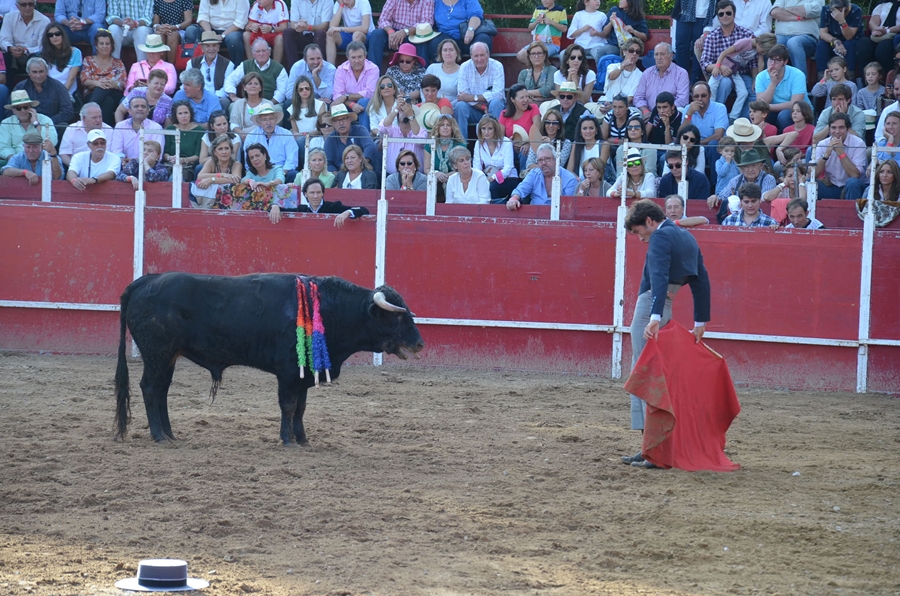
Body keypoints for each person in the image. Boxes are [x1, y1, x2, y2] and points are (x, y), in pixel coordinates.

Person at [621, 199, 710, 468]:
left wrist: (655, 317)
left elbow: (658, 276)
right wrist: (700, 320)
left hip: (652, 306)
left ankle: (654, 449)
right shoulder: (685, 236)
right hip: (664, 304)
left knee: (645, 372)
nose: (639, 238)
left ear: (649, 221)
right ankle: (652, 446)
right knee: (657, 373)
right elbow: (701, 279)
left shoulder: (660, 237)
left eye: (638, 231)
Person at [707, 32, 777, 121]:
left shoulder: (757, 49)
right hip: (722, 66)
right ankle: (710, 112)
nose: (762, 53)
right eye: (763, 51)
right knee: (712, 87)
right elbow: (724, 53)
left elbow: (760, 63)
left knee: (743, 92)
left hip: (734, 71)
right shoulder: (744, 42)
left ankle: (733, 117)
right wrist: (717, 66)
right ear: (760, 43)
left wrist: (756, 79)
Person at [700, 2, 754, 115]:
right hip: (721, 75)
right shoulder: (712, 37)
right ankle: (715, 114)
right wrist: (719, 67)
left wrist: (755, 79)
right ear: (718, 17)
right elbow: (705, 63)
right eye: (721, 14)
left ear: (734, 14)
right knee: (725, 83)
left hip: (742, 74)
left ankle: (742, 120)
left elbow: (754, 62)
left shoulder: (746, 34)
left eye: (728, 13)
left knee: (753, 91)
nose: (725, 16)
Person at [708, 148, 777, 222]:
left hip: (762, 219)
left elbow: (764, 200)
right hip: (738, 220)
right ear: (742, 168)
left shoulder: (769, 179)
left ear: (760, 166)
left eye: (754, 165)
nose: (750, 169)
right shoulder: (735, 180)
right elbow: (722, 196)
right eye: (746, 166)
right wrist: (715, 197)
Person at [454, 42, 505, 139]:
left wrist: (473, 97)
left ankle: (496, 142)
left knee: (496, 103)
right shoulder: (464, 67)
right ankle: (461, 145)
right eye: (476, 56)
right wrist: (481, 106)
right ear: (471, 56)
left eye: (482, 55)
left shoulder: (497, 66)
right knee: (460, 106)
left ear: (488, 54)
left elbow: (498, 94)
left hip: (492, 108)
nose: (479, 59)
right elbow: (462, 96)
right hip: (474, 109)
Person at [755, 44, 812, 131]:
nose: (772, 64)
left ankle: (786, 143)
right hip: (773, 110)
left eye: (777, 60)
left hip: (799, 111)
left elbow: (795, 103)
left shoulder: (798, 75)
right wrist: (773, 83)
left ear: (785, 62)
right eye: (770, 59)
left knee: (784, 116)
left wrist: (768, 107)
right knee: (756, 114)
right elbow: (761, 103)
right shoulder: (761, 76)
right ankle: (765, 143)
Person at [506, 143, 578, 209]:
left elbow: (568, 205)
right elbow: (521, 189)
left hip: (559, 217)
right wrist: (513, 199)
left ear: (556, 160)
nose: (543, 163)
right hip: (535, 215)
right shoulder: (534, 174)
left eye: (547, 159)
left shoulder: (570, 178)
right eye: (540, 160)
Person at [269, 177, 370, 224]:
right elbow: (278, 210)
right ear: (306, 195)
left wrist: (347, 212)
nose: (315, 196)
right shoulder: (301, 209)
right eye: (312, 193)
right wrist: (274, 206)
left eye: (318, 192)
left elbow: (364, 210)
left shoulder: (333, 207)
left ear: (323, 193)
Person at [423, 0, 494, 64]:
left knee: (483, 40)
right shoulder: (435, 2)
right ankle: (445, 74)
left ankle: (481, 71)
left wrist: (471, 29)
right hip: (446, 36)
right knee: (435, 44)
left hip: (468, 35)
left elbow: (476, 15)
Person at [80, 29, 127, 125]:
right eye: (101, 44)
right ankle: (107, 130)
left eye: (107, 44)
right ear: (96, 46)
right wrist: (98, 83)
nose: (105, 46)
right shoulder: (88, 60)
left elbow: (123, 83)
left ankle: (86, 112)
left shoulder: (118, 63)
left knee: (105, 90)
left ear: (111, 46)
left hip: (114, 92)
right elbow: (84, 80)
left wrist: (114, 84)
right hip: (92, 93)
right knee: (107, 101)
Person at [815, 112, 866, 199]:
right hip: (832, 186)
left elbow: (855, 174)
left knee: (852, 182)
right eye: (833, 128)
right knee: (810, 183)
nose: (837, 132)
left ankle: (852, 213)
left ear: (847, 129)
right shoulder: (823, 144)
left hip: (851, 187)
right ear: (829, 129)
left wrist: (840, 152)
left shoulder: (858, 143)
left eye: (841, 127)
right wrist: (826, 154)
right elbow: (813, 174)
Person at [367, 0, 433, 66]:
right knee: (376, 34)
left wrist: (405, 31)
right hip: (394, 33)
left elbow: (426, 23)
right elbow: (383, 19)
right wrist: (390, 32)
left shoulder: (427, 1)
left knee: (423, 41)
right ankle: (373, 72)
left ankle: (422, 74)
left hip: (415, 35)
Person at [13, 57, 73, 128]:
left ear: (46, 72)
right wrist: (28, 121)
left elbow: (68, 111)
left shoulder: (58, 87)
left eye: (41, 71)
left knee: (63, 126)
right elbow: (11, 109)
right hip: (27, 125)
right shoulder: (21, 87)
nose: (38, 75)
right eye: (34, 72)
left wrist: (47, 122)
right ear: (28, 73)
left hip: (51, 125)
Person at [224, 38, 288, 105]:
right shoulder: (245, 65)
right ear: (253, 53)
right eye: (257, 51)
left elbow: (282, 91)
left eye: (264, 51)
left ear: (269, 52)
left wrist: (269, 104)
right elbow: (230, 80)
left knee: (278, 109)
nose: (261, 54)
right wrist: (233, 97)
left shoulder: (279, 68)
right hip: (247, 104)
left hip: (271, 104)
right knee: (233, 106)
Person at [633, 43, 689, 118]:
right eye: (656, 54)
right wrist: (646, 111)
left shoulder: (681, 73)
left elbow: (682, 100)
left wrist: (662, 112)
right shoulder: (647, 73)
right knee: (634, 112)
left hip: (671, 114)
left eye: (662, 54)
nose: (659, 58)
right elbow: (638, 97)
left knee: (681, 110)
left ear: (671, 56)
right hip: (648, 114)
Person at [331, 41, 379, 130]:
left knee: (363, 101)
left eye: (360, 57)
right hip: (346, 106)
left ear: (365, 56)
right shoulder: (341, 69)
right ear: (347, 58)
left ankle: (364, 136)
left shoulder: (373, 69)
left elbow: (370, 93)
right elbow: (337, 96)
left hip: (366, 105)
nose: (357, 61)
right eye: (353, 57)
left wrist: (346, 96)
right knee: (335, 105)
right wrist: (351, 104)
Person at [0, 89, 56, 165]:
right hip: (15, 159)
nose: (23, 110)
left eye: (25, 107)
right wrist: (15, 160)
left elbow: (53, 142)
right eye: (18, 108)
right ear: (13, 110)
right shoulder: (6, 123)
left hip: (41, 160)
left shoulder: (45, 120)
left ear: (31, 107)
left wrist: (36, 123)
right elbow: (3, 147)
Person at [243, 103, 299, 177]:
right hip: (259, 175)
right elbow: (249, 162)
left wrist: (281, 175)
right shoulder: (251, 136)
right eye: (264, 120)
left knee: (293, 174)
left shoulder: (286, 134)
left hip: (283, 172)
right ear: (259, 121)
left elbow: (292, 159)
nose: (268, 123)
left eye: (271, 119)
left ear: (276, 119)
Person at [186, 0, 249, 64]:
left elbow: (240, 22)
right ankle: (194, 65)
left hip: (232, 31)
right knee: (191, 31)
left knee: (233, 38)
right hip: (209, 29)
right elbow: (202, 17)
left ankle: (237, 67)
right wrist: (210, 34)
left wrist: (222, 35)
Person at [474, 115, 519, 202]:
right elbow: (477, 167)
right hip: (487, 177)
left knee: (491, 186)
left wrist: (492, 178)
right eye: (483, 128)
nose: (486, 132)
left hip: (509, 178)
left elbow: (508, 168)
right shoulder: (478, 144)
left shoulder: (506, 142)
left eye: (490, 128)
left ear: (496, 129)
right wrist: (481, 179)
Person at [0, 0, 50, 78]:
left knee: (39, 57)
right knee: (5, 56)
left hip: (33, 54)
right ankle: (9, 89)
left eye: (30, 4)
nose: (27, 7)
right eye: (23, 5)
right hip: (13, 55)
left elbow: (42, 46)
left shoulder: (44, 21)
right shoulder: (9, 18)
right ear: (17, 6)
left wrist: (26, 50)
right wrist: (10, 48)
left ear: (34, 5)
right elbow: (4, 40)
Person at [324, 102, 378, 172]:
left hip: (362, 170)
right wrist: (339, 178)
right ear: (333, 123)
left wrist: (358, 168)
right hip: (340, 174)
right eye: (337, 120)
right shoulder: (330, 139)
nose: (341, 123)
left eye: (343, 119)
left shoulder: (360, 130)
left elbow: (370, 148)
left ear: (349, 119)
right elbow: (328, 163)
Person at [379, 94, 426, 174]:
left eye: (407, 110)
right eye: (402, 111)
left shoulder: (421, 130)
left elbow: (420, 140)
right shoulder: (392, 131)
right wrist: (396, 109)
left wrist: (410, 115)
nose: (404, 112)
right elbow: (382, 128)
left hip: (416, 176)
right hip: (392, 177)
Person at [771, 0, 822, 74]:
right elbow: (775, 12)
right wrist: (797, 17)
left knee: (793, 43)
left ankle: (801, 83)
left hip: (806, 37)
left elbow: (814, 10)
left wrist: (785, 10)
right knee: (774, 44)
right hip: (782, 35)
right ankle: (772, 81)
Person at [190, 31, 235, 113]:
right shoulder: (192, 63)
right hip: (197, 97)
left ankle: (221, 124)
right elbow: (187, 83)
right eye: (207, 46)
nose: (211, 49)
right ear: (202, 48)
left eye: (214, 45)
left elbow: (227, 87)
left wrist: (212, 97)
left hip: (217, 97)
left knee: (224, 102)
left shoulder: (228, 64)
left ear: (218, 48)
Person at [815, 0, 862, 79]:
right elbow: (823, 34)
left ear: (848, 8)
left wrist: (842, 21)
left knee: (848, 44)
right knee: (821, 45)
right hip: (832, 42)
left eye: (841, 11)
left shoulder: (855, 10)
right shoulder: (826, 10)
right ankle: (823, 78)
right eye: (835, 11)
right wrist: (836, 42)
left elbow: (849, 36)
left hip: (851, 41)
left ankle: (849, 78)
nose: (838, 14)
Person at [193, 133, 243, 207]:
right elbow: (200, 176)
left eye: (227, 148)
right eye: (220, 149)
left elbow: (235, 179)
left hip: (231, 201)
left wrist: (211, 180)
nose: (224, 152)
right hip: (210, 199)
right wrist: (222, 175)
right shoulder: (211, 162)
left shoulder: (236, 164)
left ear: (231, 150)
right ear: (214, 152)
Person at [672, 0, 715, 83]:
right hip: (684, 12)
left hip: (704, 15)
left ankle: (695, 81)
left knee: (699, 48)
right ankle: (682, 81)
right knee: (681, 48)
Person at [281, 0, 331, 71]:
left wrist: (308, 27)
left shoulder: (327, 1)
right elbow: (292, 24)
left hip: (317, 37)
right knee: (288, 32)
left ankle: (319, 70)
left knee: (320, 33)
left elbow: (325, 25)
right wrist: (298, 26)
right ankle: (293, 70)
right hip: (301, 35)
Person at [110, 95, 164, 161]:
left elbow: (157, 155)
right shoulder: (120, 126)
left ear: (148, 111)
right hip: (124, 166)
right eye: (136, 106)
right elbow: (116, 151)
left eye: (143, 106)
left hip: (148, 168)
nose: (140, 109)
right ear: (129, 111)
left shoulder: (156, 128)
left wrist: (134, 162)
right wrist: (124, 161)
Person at [59, 102, 113, 166]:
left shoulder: (108, 130)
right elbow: (64, 154)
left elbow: (110, 155)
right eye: (94, 118)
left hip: (102, 168)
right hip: (76, 168)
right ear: (84, 118)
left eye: (100, 117)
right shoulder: (71, 129)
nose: (98, 120)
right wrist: (74, 167)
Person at [499, 84, 540, 168]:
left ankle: (524, 177)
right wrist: (509, 143)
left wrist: (529, 143)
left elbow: (537, 130)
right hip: (511, 147)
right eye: (522, 98)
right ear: (512, 99)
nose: (526, 100)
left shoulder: (534, 108)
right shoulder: (504, 114)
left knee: (525, 152)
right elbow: (500, 137)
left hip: (530, 146)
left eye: (527, 96)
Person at [856, 2, 900, 77]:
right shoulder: (883, 4)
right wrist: (876, 30)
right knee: (863, 44)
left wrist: (887, 31)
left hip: (895, 35)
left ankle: (886, 80)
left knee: (883, 48)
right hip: (879, 34)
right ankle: (865, 80)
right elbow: (873, 21)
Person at [517, 0, 567, 64]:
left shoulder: (561, 10)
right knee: (521, 55)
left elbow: (564, 29)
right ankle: (533, 71)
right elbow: (530, 28)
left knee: (539, 56)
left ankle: (538, 71)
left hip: (552, 44)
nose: (544, 0)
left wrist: (551, 22)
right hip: (537, 43)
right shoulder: (538, 9)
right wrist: (536, 21)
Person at [286, 43, 336, 107]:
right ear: (305, 60)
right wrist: (313, 99)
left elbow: (328, 96)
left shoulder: (330, 69)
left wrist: (315, 75)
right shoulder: (297, 67)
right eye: (312, 59)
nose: (316, 62)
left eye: (318, 58)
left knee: (326, 104)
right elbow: (289, 93)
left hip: (320, 104)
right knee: (288, 103)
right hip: (303, 101)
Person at [163, 100, 204, 176]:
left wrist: (184, 160)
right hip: (170, 165)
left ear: (190, 114)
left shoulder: (199, 131)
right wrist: (170, 158)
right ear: (176, 115)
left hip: (189, 167)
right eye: (180, 113)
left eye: (186, 113)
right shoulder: (170, 129)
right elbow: (165, 152)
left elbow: (198, 155)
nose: (183, 116)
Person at [524, 107, 571, 174]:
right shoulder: (537, 139)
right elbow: (529, 164)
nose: (550, 126)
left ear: (559, 126)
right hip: (536, 175)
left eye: (554, 123)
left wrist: (551, 145)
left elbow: (559, 164)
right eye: (548, 122)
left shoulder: (566, 143)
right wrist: (544, 169)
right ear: (544, 124)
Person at [325, 0, 373, 65]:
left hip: (366, 36)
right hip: (349, 35)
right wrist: (341, 6)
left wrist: (341, 29)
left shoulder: (363, 2)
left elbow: (365, 28)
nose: (345, 1)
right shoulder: (339, 3)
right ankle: (330, 70)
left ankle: (356, 66)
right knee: (331, 35)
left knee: (356, 35)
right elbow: (332, 26)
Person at [424, 113, 465, 187]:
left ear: (452, 128)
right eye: (442, 125)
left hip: (456, 180)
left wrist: (445, 176)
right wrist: (437, 174)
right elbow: (426, 169)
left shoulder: (460, 145)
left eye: (448, 125)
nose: (445, 127)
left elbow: (462, 167)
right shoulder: (429, 145)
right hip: (435, 180)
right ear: (438, 127)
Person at [41, 23, 80, 99]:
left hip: (68, 93)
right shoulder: (43, 53)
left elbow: (71, 78)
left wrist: (61, 95)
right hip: (49, 93)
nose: (54, 37)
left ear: (63, 35)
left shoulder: (75, 52)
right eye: (50, 35)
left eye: (57, 34)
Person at [600, 38, 643, 105]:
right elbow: (611, 77)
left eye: (637, 52)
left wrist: (613, 107)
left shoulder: (639, 74)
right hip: (607, 102)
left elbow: (630, 97)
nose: (634, 54)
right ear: (624, 51)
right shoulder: (612, 66)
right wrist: (622, 67)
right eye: (631, 50)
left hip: (624, 107)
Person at [518, 41, 558, 106]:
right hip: (528, 104)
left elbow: (548, 90)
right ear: (529, 56)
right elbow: (520, 93)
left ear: (545, 55)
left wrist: (526, 92)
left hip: (547, 105)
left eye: (539, 53)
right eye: (533, 54)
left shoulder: (552, 70)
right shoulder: (523, 73)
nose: (536, 57)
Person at [288, 75, 326, 143]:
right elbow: (295, 131)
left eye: (307, 88)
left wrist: (305, 134)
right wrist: (300, 135)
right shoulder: (292, 108)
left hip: (316, 139)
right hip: (300, 140)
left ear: (311, 89)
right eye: (301, 89)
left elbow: (321, 129)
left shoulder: (320, 105)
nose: (304, 91)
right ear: (297, 91)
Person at [229, 72, 267, 139]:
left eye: (256, 84)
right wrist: (242, 135)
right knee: (236, 138)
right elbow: (234, 125)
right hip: (242, 137)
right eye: (250, 84)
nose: (253, 86)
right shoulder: (238, 103)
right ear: (244, 87)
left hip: (261, 136)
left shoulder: (267, 104)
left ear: (260, 88)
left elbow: (269, 125)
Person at [424, 37, 460, 106]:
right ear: (441, 53)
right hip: (430, 106)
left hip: (452, 107)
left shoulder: (462, 71)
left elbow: (461, 96)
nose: (448, 53)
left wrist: (445, 106)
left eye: (451, 50)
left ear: (457, 52)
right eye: (445, 50)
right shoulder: (432, 68)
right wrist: (427, 105)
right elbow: (423, 89)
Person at [568, 113, 601, 178]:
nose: (588, 131)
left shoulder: (603, 145)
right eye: (584, 128)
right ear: (580, 131)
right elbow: (569, 170)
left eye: (591, 128)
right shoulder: (576, 144)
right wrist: (579, 181)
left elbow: (600, 169)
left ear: (596, 130)